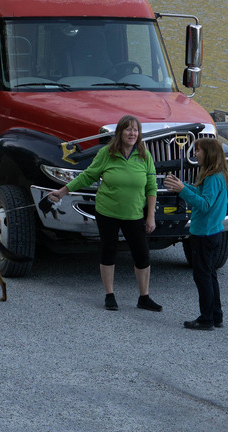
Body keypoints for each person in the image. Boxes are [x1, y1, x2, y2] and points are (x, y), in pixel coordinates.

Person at [47, 114, 161, 312]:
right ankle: (109, 295)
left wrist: (150, 216)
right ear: (119, 132)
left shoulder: (144, 155)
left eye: (135, 130)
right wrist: (62, 192)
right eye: (128, 129)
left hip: (134, 214)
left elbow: (151, 187)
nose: (132, 133)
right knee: (109, 251)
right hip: (108, 212)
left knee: (142, 255)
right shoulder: (106, 153)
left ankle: (144, 297)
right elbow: (87, 176)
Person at [164, 137, 228, 330]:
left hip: (204, 234)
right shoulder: (216, 176)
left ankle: (206, 319)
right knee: (209, 274)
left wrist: (183, 190)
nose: (195, 154)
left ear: (209, 154)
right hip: (212, 232)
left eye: (198, 150)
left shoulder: (212, 177)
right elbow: (201, 195)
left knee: (202, 276)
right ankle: (216, 316)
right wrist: (182, 186)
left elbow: (204, 204)